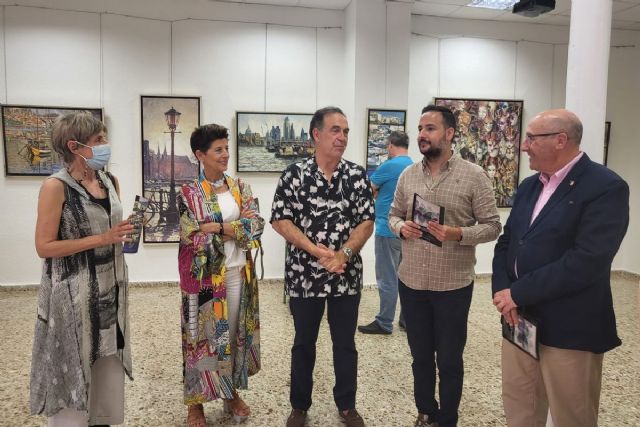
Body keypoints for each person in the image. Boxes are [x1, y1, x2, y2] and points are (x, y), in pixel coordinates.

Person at [492, 109, 629, 427]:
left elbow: (587, 261)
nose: (524, 146)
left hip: (570, 327)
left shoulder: (605, 187)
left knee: (572, 415)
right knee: (520, 408)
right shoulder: (529, 186)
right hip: (518, 320)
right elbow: (507, 242)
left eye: (531, 138)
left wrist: (517, 293)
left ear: (560, 140)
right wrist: (503, 291)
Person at [388, 105, 501, 427]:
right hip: (412, 282)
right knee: (420, 356)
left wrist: (458, 234)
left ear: (449, 133)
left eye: (430, 128)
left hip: (452, 286)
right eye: (420, 129)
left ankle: (448, 419)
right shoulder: (408, 175)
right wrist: (401, 227)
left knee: (449, 360)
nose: (422, 135)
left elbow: (493, 226)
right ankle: (425, 411)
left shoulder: (474, 176)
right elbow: (393, 215)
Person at [271, 106, 375, 427]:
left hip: (345, 276)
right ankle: (299, 406)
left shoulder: (356, 176)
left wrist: (343, 254)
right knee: (304, 343)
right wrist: (315, 250)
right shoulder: (294, 175)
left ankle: (347, 405)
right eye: (335, 130)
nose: (342, 137)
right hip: (304, 275)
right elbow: (280, 219)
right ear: (316, 134)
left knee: (345, 344)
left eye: (345, 131)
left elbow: (366, 221)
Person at [30, 111, 135, 426]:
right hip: (73, 296)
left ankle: (101, 418)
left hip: (111, 289)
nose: (106, 144)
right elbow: (44, 246)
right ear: (74, 146)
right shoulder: (55, 187)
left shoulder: (109, 181)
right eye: (98, 139)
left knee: (106, 358)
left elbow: (110, 229)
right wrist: (102, 238)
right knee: (74, 362)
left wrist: (123, 231)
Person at [178, 124, 263, 427]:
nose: (226, 154)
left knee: (231, 336)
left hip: (238, 273)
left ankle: (229, 393)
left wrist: (217, 227)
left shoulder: (241, 187)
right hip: (203, 279)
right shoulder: (189, 193)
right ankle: (196, 403)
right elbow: (191, 236)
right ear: (200, 155)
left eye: (226, 148)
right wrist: (236, 228)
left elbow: (256, 227)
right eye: (218, 150)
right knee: (200, 339)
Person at [358, 131, 412, 335]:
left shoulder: (388, 165)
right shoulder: (414, 166)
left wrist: (378, 192)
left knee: (387, 277)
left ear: (390, 146)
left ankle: (384, 322)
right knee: (405, 278)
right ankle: (406, 319)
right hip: (406, 230)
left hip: (386, 228)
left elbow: (367, 190)